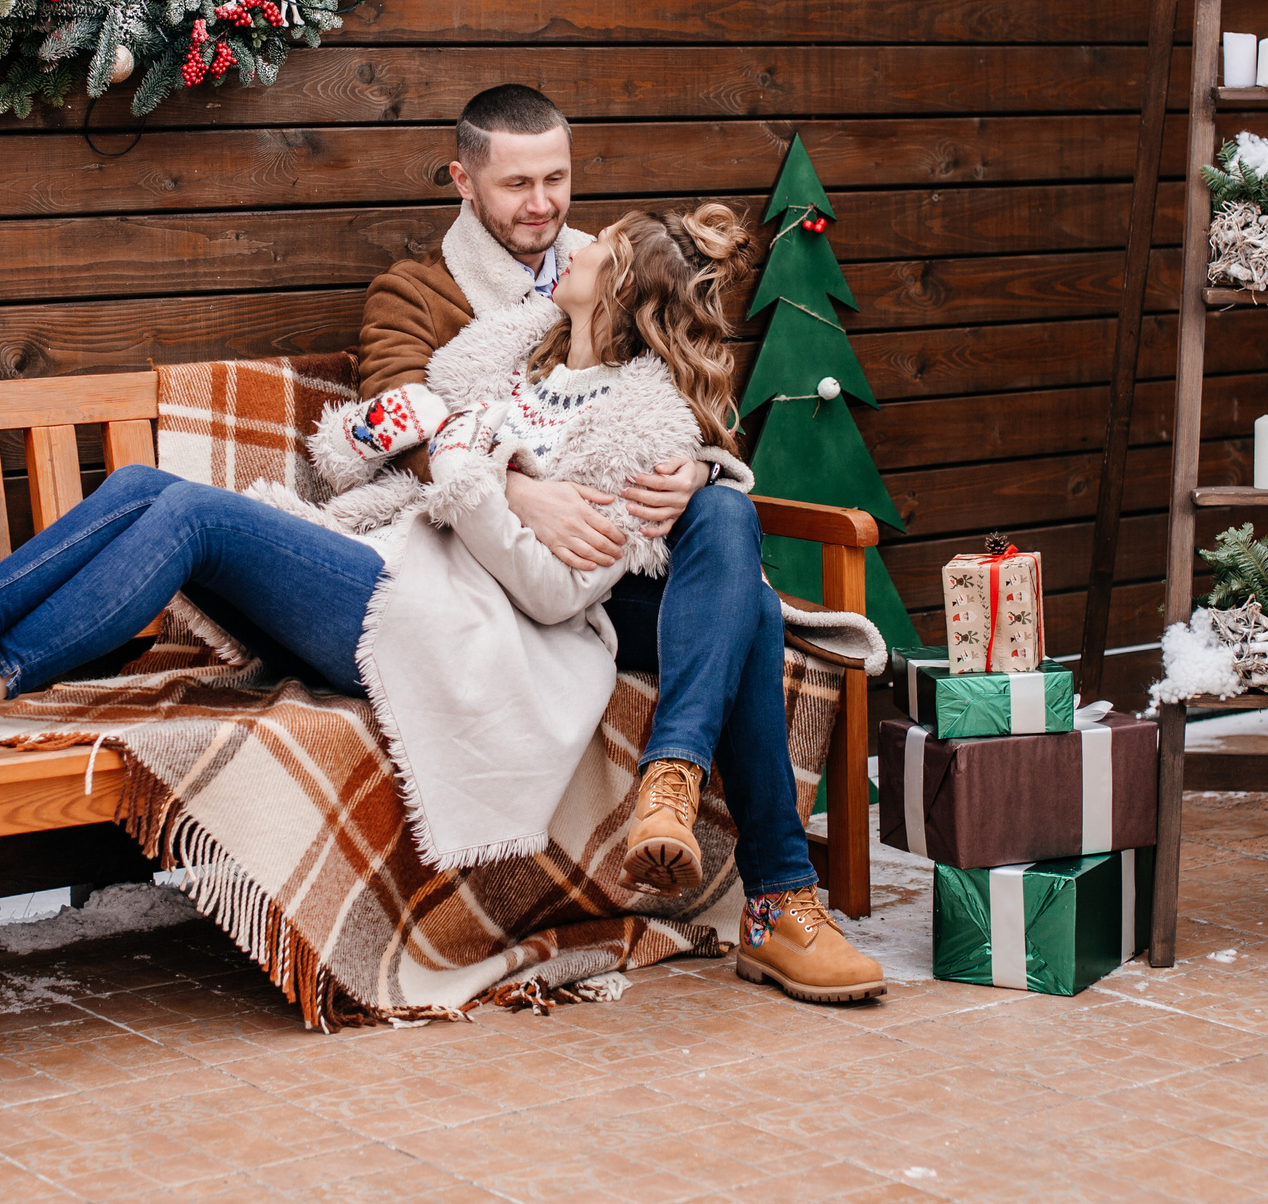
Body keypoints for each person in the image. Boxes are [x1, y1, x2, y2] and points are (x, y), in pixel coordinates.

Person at [0, 205, 841, 899]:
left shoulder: (639, 431)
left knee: (191, 518)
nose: (570, 244)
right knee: (141, 487)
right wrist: (422, 436)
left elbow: (556, 591)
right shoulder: (498, 359)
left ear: (614, 295)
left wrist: (474, 469)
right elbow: (361, 457)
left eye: (596, 250)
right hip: (384, 562)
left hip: (445, 625)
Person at [355, 84, 886, 1005]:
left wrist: (702, 472)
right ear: (462, 180)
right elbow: (405, 420)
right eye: (517, 183)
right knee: (753, 611)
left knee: (723, 517)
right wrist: (522, 487)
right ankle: (781, 904)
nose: (544, 204)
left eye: (557, 178)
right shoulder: (420, 293)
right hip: (515, 573)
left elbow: (681, 398)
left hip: (625, 566)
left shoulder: (610, 264)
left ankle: (675, 790)